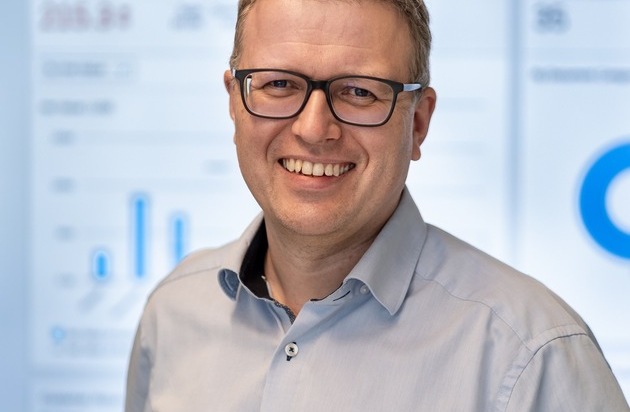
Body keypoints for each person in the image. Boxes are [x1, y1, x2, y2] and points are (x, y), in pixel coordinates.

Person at [125, 0, 629, 410]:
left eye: (359, 92)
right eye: (279, 84)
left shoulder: (533, 358)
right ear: (234, 102)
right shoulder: (173, 313)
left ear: (418, 123)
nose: (313, 129)